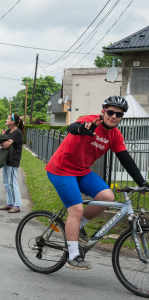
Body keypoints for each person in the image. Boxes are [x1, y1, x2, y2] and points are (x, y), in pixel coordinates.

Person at [45, 96, 149, 270]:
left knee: (107, 196)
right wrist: (82, 130)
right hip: (61, 169)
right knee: (76, 209)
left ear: (122, 117)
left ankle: (80, 226)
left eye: (119, 114)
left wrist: (143, 182)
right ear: (103, 111)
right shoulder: (90, 121)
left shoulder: (115, 135)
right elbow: (72, 127)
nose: (114, 116)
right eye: (110, 112)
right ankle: (73, 256)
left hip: (82, 171)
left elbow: (125, 158)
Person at [0, 113, 24, 213]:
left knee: (13, 183)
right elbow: (0, 142)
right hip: (6, 159)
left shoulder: (18, 132)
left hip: (13, 160)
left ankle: (16, 206)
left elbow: (6, 144)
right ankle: (9, 203)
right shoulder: (8, 131)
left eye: (7, 119)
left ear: (12, 122)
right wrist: (2, 142)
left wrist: (3, 143)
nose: (6, 120)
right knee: (6, 183)